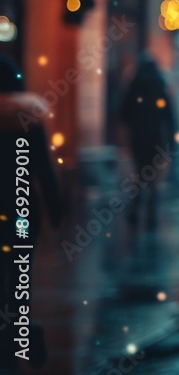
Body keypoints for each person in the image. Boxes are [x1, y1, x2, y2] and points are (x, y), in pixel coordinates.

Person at [0, 56, 62, 371]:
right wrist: (56, 211)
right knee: (19, 278)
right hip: (23, 213)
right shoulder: (28, 116)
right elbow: (42, 169)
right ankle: (17, 341)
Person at [119, 53, 176, 230]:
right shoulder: (160, 86)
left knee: (139, 174)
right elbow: (169, 117)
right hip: (155, 137)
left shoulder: (134, 86)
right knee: (153, 178)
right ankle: (151, 216)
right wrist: (172, 141)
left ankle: (135, 211)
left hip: (138, 137)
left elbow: (124, 114)